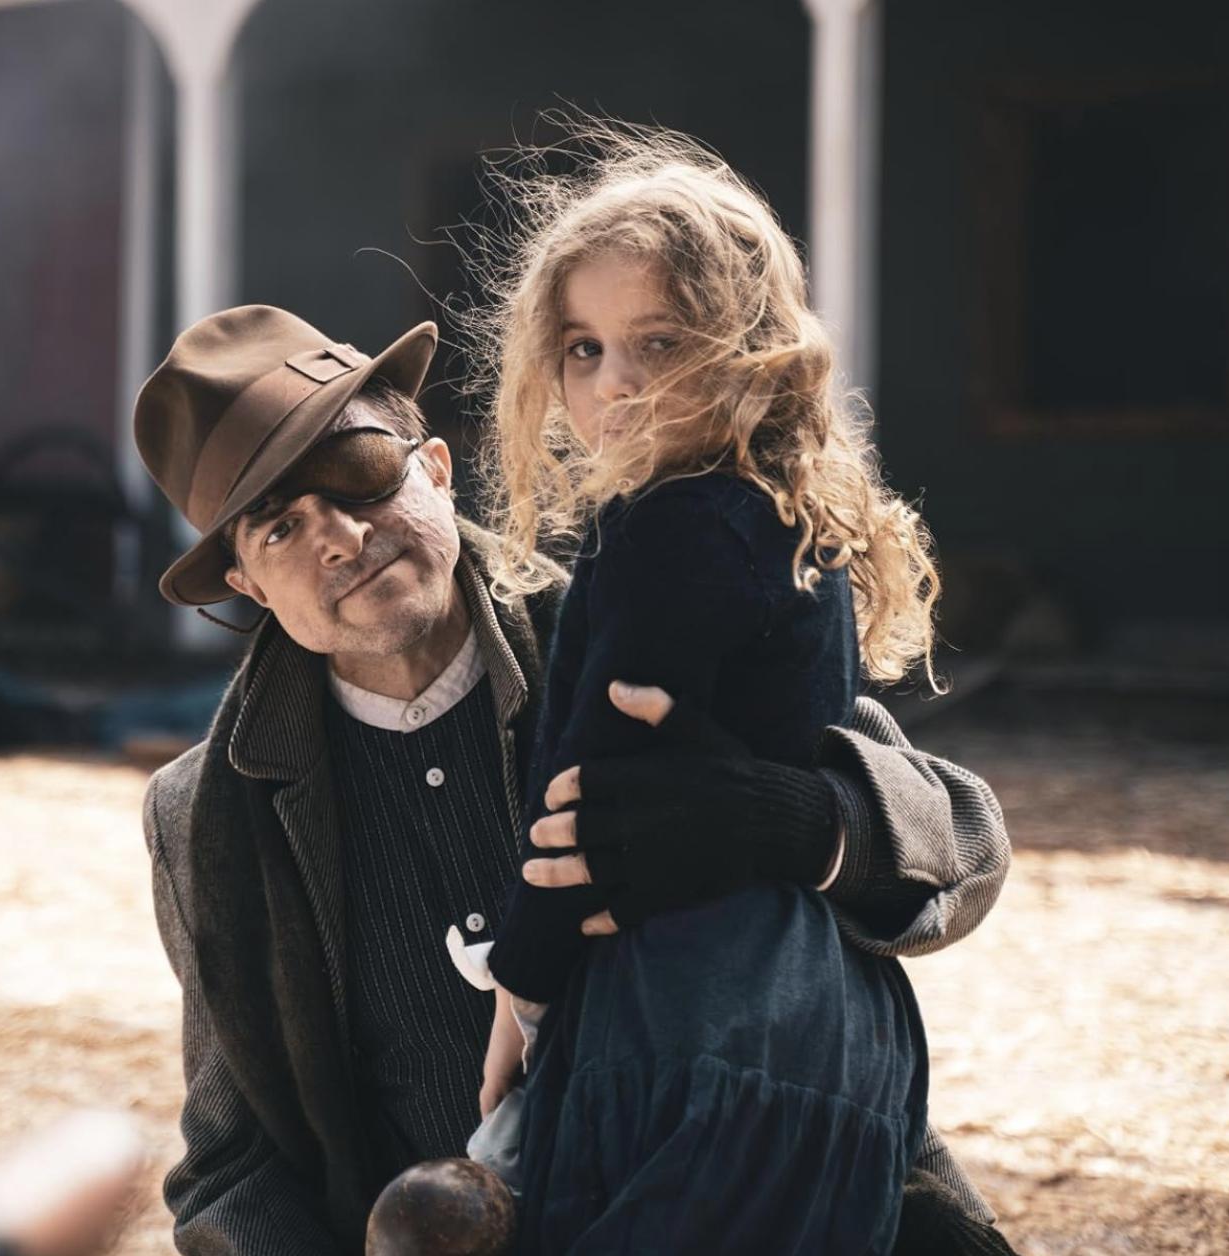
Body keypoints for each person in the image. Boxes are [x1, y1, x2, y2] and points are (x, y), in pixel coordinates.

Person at [132, 303, 1012, 1254]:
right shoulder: (203, 817)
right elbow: (234, 1166)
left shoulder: (637, 621)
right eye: (277, 528)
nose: (339, 537)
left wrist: (791, 820)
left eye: (359, 472)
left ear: (433, 466)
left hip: (778, 1210)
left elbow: (962, 837)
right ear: (250, 587)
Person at [471, 123, 1004, 1253]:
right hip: (847, 1020)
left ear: (746, 346)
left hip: (697, 1016)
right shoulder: (790, 520)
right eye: (583, 348)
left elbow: (586, 792)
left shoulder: (669, 530)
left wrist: (520, 992)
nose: (615, 383)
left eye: (658, 342)